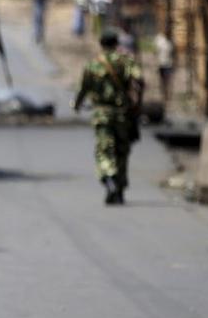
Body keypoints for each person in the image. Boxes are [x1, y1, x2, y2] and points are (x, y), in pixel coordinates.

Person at [74, 30, 144, 205]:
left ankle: (109, 177)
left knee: (104, 150)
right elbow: (140, 80)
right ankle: (119, 189)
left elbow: (83, 89)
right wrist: (137, 103)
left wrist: (77, 105)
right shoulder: (126, 61)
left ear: (101, 44)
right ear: (116, 43)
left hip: (102, 115)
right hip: (123, 115)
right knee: (122, 152)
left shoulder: (93, 65)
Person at [154, 32, 174, 105]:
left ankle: (167, 95)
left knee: (167, 80)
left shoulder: (171, 42)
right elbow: (156, 52)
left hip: (168, 64)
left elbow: (174, 53)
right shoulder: (160, 40)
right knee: (162, 80)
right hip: (161, 64)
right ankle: (163, 94)